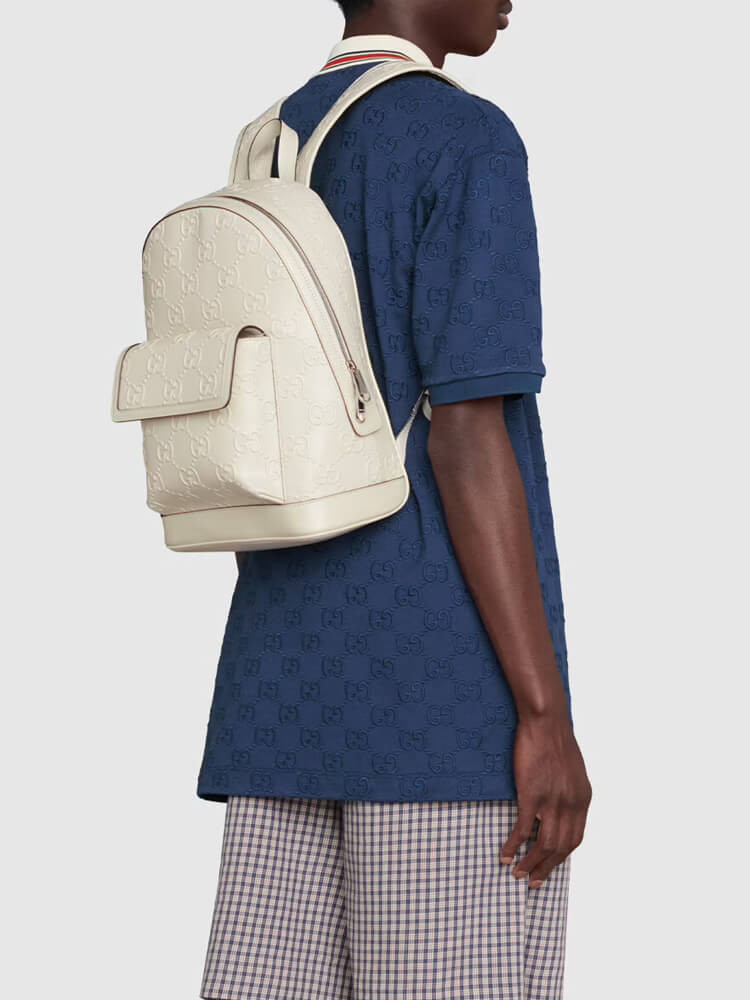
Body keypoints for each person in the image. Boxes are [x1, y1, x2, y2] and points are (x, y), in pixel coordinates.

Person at [199, 2, 591, 998]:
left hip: (279, 688)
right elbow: (465, 432)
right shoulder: (467, 138)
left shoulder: (273, 141)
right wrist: (544, 715)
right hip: (439, 693)